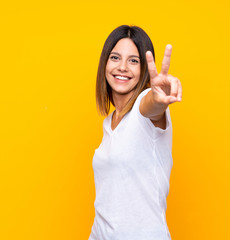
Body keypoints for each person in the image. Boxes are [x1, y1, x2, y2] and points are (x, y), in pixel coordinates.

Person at [89, 25, 182, 240]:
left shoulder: (144, 106)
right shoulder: (109, 123)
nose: (122, 67)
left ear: (142, 70)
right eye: (115, 58)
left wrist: (158, 97)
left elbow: (152, 105)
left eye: (133, 61)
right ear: (105, 63)